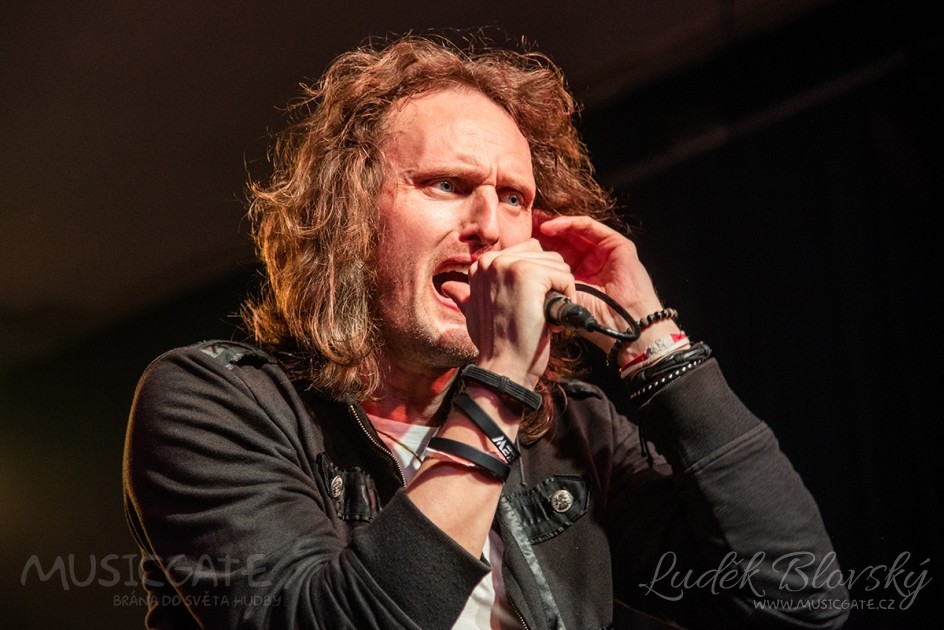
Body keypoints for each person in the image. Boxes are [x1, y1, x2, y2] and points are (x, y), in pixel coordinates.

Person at [123, 34, 849, 629]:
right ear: (349, 216)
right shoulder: (217, 401)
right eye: (447, 184)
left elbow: (802, 601)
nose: (490, 227)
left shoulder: (568, 432)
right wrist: (500, 389)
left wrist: (653, 343)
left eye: (514, 198)